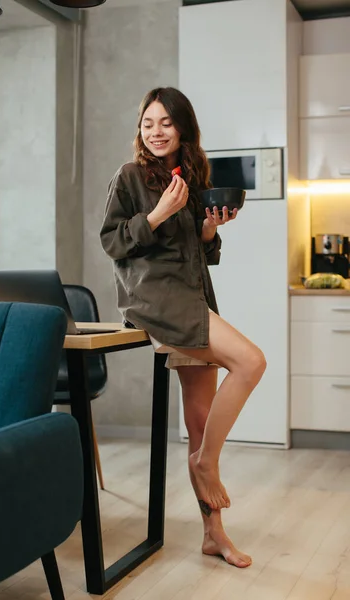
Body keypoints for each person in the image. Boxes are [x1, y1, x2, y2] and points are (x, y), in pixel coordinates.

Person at [100, 87, 266, 569]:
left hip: (191, 296)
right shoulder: (130, 176)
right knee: (251, 361)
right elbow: (112, 242)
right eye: (148, 123)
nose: (155, 132)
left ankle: (213, 534)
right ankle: (206, 462)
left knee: (199, 422)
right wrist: (157, 214)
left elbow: (201, 252)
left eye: (165, 123)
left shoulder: (192, 176)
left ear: (183, 129)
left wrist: (211, 229)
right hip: (154, 297)